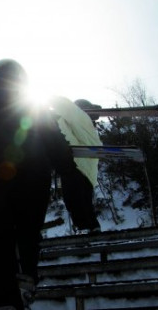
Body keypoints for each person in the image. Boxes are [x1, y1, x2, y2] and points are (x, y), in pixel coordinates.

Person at [0, 59, 82, 310]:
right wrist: (67, 166)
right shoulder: (31, 101)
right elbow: (53, 140)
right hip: (30, 176)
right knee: (26, 232)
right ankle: (23, 282)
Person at [49, 96, 102, 233]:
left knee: (74, 201)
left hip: (75, 165)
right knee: (84, 204)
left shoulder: (78, 117)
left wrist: (48, 101)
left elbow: (63, 105)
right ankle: (93, 229)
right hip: (86, 170)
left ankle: (85, 229)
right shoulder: (88, 127)